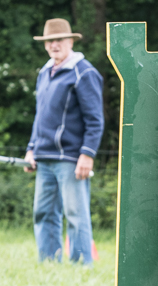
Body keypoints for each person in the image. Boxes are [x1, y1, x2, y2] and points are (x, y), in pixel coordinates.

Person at [23, 18, 104, 265]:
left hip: (71, 158)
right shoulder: (45, 72)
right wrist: (31, 149)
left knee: (76, 214)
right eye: (49, 41)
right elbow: (40, 116)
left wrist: (87, 154)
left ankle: (81, 264)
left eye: (58, 40)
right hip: (44, 157)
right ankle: (49, 262)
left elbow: (95, 119)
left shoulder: (85, 72)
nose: (54, 45)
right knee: (43, 213)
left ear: (70, 41)